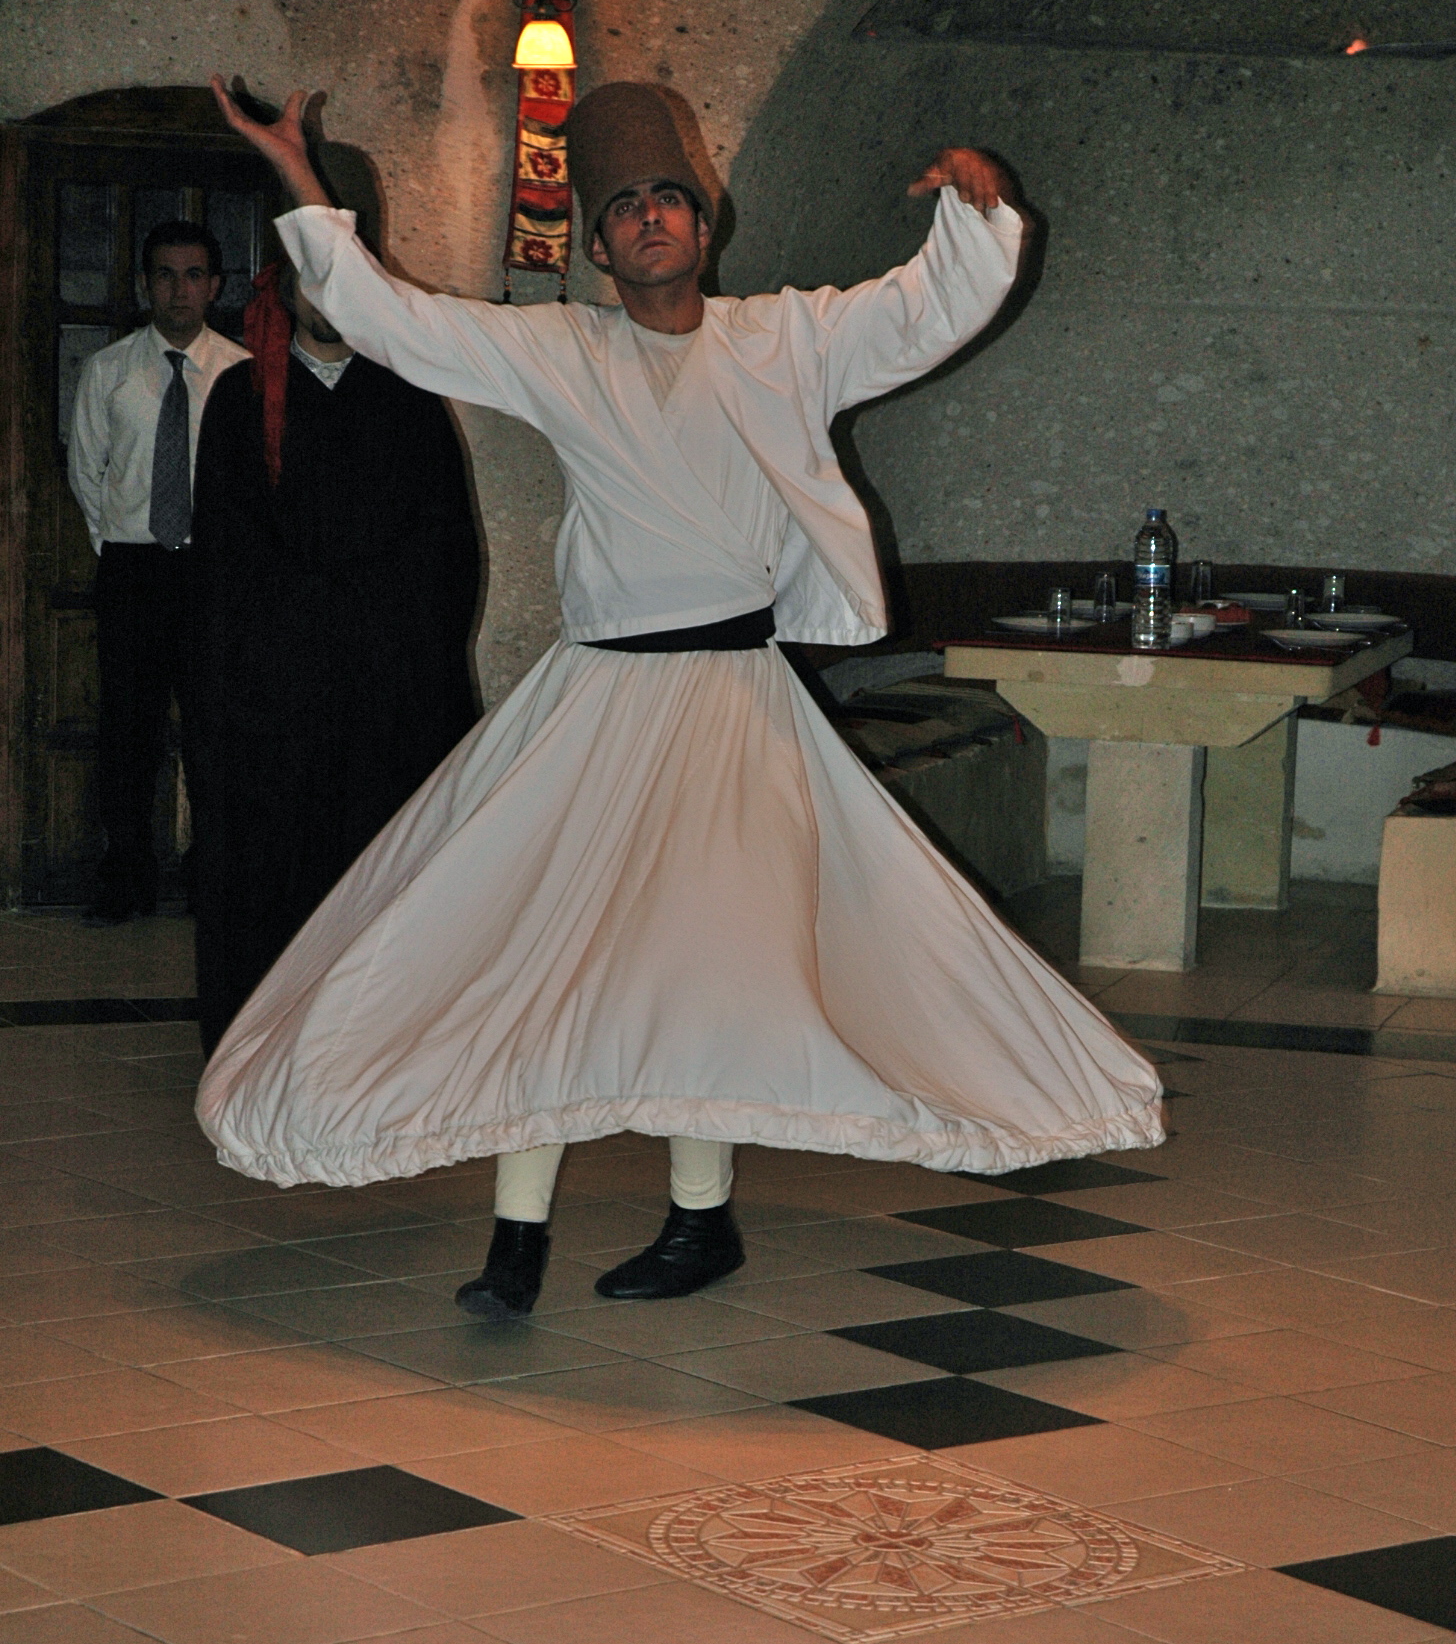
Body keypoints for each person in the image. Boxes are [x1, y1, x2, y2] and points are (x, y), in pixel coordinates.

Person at [199, 74, 1164, 1319]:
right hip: (597, 705)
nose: (650, 219)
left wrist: (979, 207)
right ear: (597, 248)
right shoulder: (562, 351)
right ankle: (515, 1241)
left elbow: (923, 311)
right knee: (537, 952)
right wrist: (300, 174)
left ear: (706, 225)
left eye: (669, 198)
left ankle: (699, 1220)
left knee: (712, 964)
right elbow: (393, 319)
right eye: (624, 209)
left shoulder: (787, 338)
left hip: (731, 703)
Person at [187, 258, 482, 1057]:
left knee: (379, 873)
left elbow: (446, 548)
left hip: (385, 693)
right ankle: (263, 1049)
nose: (326, 301)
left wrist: (398, 657)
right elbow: (224, 559)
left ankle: (379, 1050)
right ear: (281, 290)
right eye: (309, 282)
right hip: (275, 699)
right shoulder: (239, 401)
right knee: (272, 880)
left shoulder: (406, 397)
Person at [68, 222, 249, 923]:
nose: (181, 288)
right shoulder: (108, 371)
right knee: (128, 730)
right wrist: (122, 546)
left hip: (213, 573)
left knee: (217, 727)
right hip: (135, 571)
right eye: (166, 275)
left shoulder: (241, 370)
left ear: (215, 285)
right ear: (147, 284)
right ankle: (126, 874)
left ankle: (214, 871)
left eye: (194, 274)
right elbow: (89, 474)